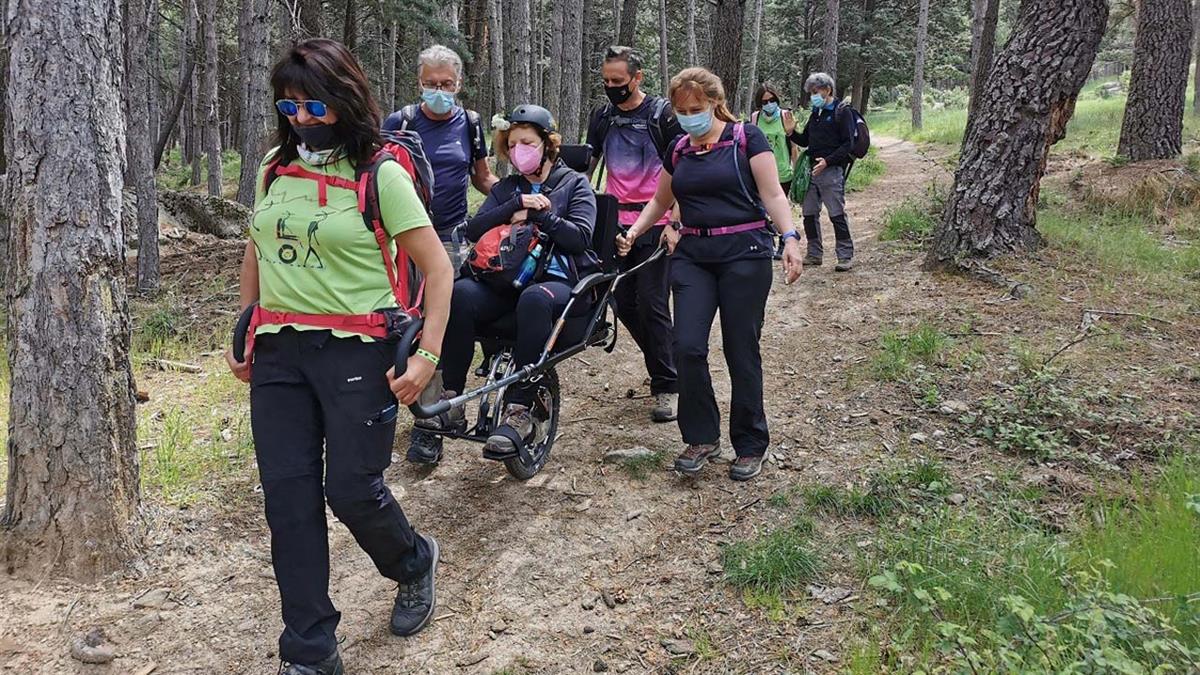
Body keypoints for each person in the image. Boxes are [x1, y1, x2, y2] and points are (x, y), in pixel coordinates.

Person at [224, 39, 453, 675]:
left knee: (351, 490)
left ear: (345, 101)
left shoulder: (380, 174)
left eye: (315, 105)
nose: (301, 118)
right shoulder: (274, 166)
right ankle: (310, 649)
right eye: (289, 105)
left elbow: (437, 269)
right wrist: (247, 324)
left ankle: (412, 560)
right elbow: (256, 250)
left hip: (360, 351)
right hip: (278, 356)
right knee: (288, 499)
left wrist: (428, 356)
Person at [617, 67, 803, 482]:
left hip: (745, 254)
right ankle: (701, 437)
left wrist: (789, 237)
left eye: (696, 109)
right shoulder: (680, 149)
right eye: (681, 110)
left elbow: (772, 193)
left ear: (716, 104)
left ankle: (751, 444)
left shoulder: (746, 138)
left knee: (741, 348)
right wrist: (634, 231)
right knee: (687, 346)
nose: (688, 116)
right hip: (693, 255)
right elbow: (660, 199)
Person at [417, 104, 600, 458]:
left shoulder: (575, 184)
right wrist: (513, 204)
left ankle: (520, 410)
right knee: (461, 294)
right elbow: (472, 229)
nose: (519, 151)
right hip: (504, 281)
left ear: (548, 144)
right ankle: (451, 400)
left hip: (557, 282)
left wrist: (540, 216)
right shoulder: (507, 188)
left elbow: (581, 238)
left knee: (535, 299)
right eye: (513, 144)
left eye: (527, 143)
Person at [384, 45, 498, 465]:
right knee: (404, 327)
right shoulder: (401, 122)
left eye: (446, 85)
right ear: (419, 83)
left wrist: (521, 196)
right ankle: (420, 415)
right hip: (403, 242)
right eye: (431, 84)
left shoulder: (469, 124)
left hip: (451, 240)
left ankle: (442, 414)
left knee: (444, 325)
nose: (438, 91)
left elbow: (482, 176)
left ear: (459, 84)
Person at [586, 46, 682, 424]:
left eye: (618, 82)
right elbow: (588, 162)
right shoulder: (603, 116)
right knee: (624, 304)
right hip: (613, 222)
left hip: (656, 222)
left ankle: (667, 385)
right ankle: (668, 360)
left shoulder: (663, 116)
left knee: (653, 303)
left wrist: (675, 221)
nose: (611, 88)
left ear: (637, 78)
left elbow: (683, 168)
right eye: (606, 81)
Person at [788, 72, 856, 272]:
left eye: (815, 92)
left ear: (828, 90)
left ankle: (845, 256)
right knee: (809, 214)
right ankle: (814, 254)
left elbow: (848, 144)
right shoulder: (816, 114)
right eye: (810, 93)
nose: (813, 96)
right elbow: (806, 141)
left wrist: (828, 161)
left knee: (836, 214)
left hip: (832, 171)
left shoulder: (842, 112)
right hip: (811, 171)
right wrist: (791, 132)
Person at [750, 83, 799, 260]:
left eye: (772, 100)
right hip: (761, 173)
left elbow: (793, 145)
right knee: (762, 210)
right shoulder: (755, 118)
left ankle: (783, 243)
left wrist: (796, 168)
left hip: (783, 171)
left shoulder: (785, 115)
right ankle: (767, 242)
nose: (769, 103)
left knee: (779, 208)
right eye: (764, 101)